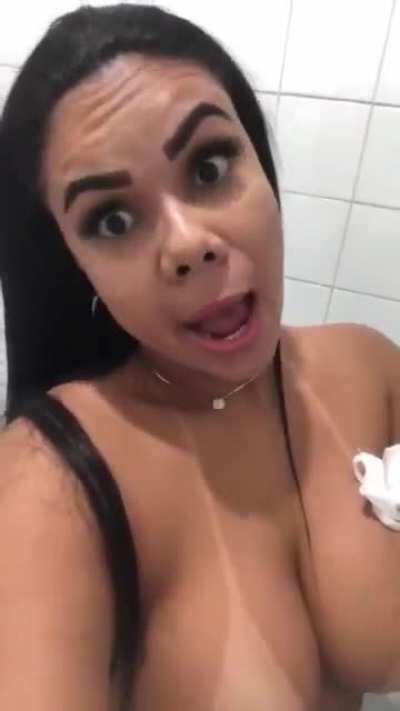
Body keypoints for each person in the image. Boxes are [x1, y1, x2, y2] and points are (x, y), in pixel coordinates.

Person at [0, 3, 399, 710]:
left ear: (260, 162)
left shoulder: (367, 368)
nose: (188, 244)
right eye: (112, 220)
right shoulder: (52, 485)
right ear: (75, 264)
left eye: (210, 167)